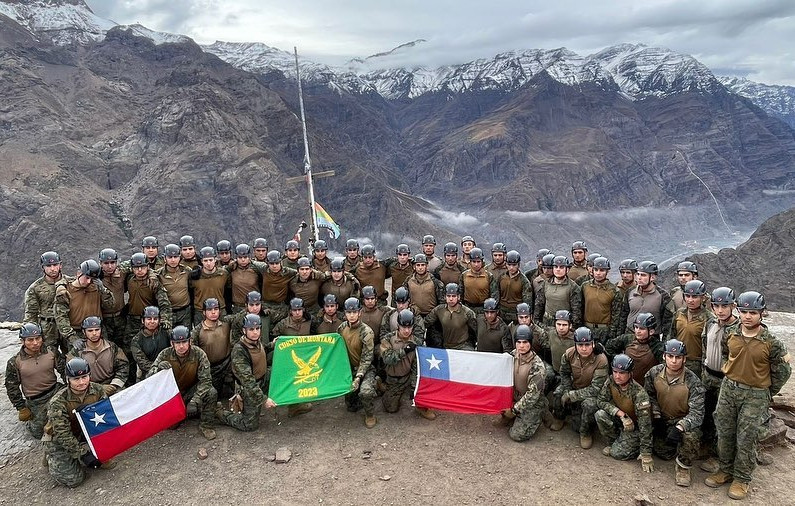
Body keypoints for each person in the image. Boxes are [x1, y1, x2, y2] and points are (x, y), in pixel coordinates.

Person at [706, 291, 791, 500]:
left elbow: (783, 370)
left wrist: (768, 391)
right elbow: (727, 353)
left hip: (755, 394)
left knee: (747, 437)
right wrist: (728, 369)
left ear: (762, 314)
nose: (748, 316)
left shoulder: (771, 342)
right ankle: (725, 470)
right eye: (744, 312)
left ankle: (742, 478)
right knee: (724, 430)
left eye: (753, 312)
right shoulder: (732, 333)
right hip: (729, 389)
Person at [644, 339, 705, 487]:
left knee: (691, 437)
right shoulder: (654, 373)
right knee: (663, 453)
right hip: (662, 419)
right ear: (664, 356)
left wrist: (680, 427)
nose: (674, 360)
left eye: (678, 357)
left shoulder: (693, 381)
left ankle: (683, 467)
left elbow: (697, 413)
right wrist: (656, 415)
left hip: (681, 420)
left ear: (684, 359)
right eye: (670, 356)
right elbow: (648, 396)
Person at [45, 358, 112, 487]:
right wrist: (83, 454)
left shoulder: (97, 390)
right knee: (74, 480)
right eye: (76, 379)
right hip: (59, 439)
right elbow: (63, 434)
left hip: (83, 431)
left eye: (84, 377)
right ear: (68, 379)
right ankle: (50, 457)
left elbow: (105, 417)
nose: (81, 382)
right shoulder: (58, 402)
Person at [149, 326, 218, 440]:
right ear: (172, 343)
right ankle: (186, 411)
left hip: (191, 389)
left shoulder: (199, 354)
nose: (181, 346)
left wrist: (195, 400)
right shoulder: (165, 354)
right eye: (177, 343)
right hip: (172, 394)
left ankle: (206, 425)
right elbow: (149, 377)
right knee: (171, 426)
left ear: (190, 341)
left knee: (211, 392)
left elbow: (206, 380)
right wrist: (158, 369)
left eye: (184, 342)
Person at [699, 287, 739, 473]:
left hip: (726, 380)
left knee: (722, 419)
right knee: (706, 414)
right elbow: (704, 347)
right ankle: (705, 447)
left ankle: (718, 456)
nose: (720, 310)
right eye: (716, 306)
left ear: (732, 306)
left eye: (724, 306)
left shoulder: (738, 330)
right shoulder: (710, 323)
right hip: (708, 375)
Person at [5, 323, 64, 439]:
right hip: (36, 400)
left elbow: (64, 370)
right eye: (30, 340)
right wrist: (21, 407)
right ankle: (32, 421)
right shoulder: (15, 362)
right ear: (22, 341)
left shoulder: (51, 351)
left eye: (38, 338)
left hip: (56, 391)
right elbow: (12, 387)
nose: (35, 343)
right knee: (39, 433)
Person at [595, 354, 654, 472]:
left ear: (630, 373)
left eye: (622, 373)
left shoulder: (639, 394)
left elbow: (645, 426)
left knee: (617, 454)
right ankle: (614, 441)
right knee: (600, 414)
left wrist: (646, 453)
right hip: (622, 420)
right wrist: (620, 413)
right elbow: (600, 401)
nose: (617, 376)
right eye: (615, 371)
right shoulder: (611, 381)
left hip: (636, 427)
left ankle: (633, 445)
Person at [552, 327, 609, 449]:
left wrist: (572, 395)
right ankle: (559, 417)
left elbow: (596, 388)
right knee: (558, 392)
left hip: (592, 393)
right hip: (575, 385)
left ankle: (585, 433)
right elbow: (565, 374)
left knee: (589, 406)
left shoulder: (601, 360)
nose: (584, 348)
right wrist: (567, 390)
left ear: (593, 344)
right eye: (580, 345)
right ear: (575, 345)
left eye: (587, 344)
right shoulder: (568, 354)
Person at [216, 314, 270, 432]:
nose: (255, 332)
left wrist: (274, 344)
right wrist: (264, 399)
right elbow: (248, 382)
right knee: (249, 425)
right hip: (249, 388)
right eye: (251, 329)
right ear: (244, 330)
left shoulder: (256, 341)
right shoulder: (239, 351)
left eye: (257, 328)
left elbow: (262, 349)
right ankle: (220, 414)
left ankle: (295, 405)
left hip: (263, 378)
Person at [493, 325, 547, 442]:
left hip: (532, 402)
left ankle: (540, 415)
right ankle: (511, 416)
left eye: (525, 342)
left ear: (530, 343)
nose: (521, 346)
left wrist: (514, 410)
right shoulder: (513, 355)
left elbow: (532, 396)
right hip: (515, 396)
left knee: (516, 435)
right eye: (518, 342)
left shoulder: (537, 366)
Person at [380, 309, 435, 420]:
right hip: (394, 378)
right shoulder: (388, 339)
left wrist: (415, 386)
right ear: (398, 326)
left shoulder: (416, 342)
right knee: (391, 408)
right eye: (403, 327)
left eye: (409, 327)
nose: (406, 330)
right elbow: (387, 359)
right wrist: (404, 351)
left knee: (424, 385)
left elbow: (417, 367)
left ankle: (421, 407)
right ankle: (382, 386)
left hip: (408, 377)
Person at [125, 252, 172, 381]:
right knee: (130, 352)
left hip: (151, 319)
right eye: (136, 268)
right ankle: (131, 383)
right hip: (132, 320)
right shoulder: (128, 278)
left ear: (148, 267)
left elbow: (164, 304)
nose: (139, 270)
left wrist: (165, 320)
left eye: (143, 267)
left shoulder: (154, 281)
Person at [54, 259, 115, 351]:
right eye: (87, 278)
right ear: (79, 274)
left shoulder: (97, 288)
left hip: (97, 331)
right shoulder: (66, 291)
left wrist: (103, 290)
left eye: (92, 279)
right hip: (76, 332)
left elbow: (110, 306)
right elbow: (61, 318)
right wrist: (72, 338)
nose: (89, 281)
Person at [338, 298, 377, 428]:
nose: (352, 315)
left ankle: (370, 414)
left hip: (365, 370)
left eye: (354, 312)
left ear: (360, 312)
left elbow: (367, 359)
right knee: (351, 407)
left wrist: (358, 377)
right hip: (348, 370)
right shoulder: (342, 328)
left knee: (365, 392)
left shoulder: (367, 332)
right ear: (345, 314)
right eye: (349, 312)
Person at [67, 316, 128, 396]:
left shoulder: (112, 347)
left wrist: (114, 384)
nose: (94, 333)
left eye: (97, 330)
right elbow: (71, 376)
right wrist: (97, 388)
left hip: (111, 384)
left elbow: (123, 367)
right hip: (87, 388)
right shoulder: (77, 352)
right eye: (90, 330)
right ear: (83, 332)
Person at [613, 261, 673, 340]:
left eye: (643, 275)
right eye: (638, 274)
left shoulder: (663, 296)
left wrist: (664, 343)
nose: (639, 278)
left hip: (652, 340)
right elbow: (623, 317)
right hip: (630, 337)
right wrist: (619, 337)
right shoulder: (630, 292)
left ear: (652, 277)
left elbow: (668, 323)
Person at [190, 298, 233, 399]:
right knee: (214, 395)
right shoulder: (197, 331)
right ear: (204, 312)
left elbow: (241, 317)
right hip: (211, 369)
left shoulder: (226, 322)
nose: (213, 312)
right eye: (210, 310)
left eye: (216, 309)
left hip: (228, 365)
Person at [670, 279, 713, 377]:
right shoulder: (679, 313)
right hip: (677, 360)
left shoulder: (709, 319)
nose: (690, 300)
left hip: (697, 365)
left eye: (694, 297)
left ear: (703, 298)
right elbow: (671, 335)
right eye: (687, 296)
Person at [23, 251, 65, 352]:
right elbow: (31, 313)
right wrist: (30, 335)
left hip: (67, 325)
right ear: (43, 268)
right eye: (48, 266)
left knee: (73, 357)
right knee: (48, 357)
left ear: (60, 265)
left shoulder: (70, 283)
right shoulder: (35, 288)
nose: (52, 269)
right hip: (47, 328)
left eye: (55, 265)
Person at [606, 312, 664, 384]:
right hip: (625, 384)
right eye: (636, 327)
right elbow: (609, 347)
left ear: (651, 331)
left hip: (645, 387)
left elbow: (666, 366)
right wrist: (618, 360)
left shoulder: (657, 347)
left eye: (642, 328)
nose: (638, 331)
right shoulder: (627, 338)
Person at [533, 309, 575, 404]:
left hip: (569, 376)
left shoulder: (576, 340)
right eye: (558, 324)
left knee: (558, 395)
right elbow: (537, 329)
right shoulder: (551, 333)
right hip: (554, 370)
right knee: (541, 384)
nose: (561, 328)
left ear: (570, 325)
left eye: (564, 325)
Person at [533, 255, 582, 329]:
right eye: (556, 267)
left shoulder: (573, 287)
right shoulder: (545, 284)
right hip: (546, 324)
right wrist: (537, 322)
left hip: (564, 324)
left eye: (561, 267)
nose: (558, 270)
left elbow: (576, 311)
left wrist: (572, 328)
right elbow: (539, 305)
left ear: (567, 269)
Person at [424, 283, 477, 350]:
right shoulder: (438, 310)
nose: (451, 299)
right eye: (448, 296)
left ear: (458, 297)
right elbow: (426, 323)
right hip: (445, 345)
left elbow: (475, 330)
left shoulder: (467, 313)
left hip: (463, 346)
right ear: (445, 297)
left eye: (454, 296)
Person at [581, 256, 621, 345]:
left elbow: (616, 315)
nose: (598, 273)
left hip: (604, 331)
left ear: (607, 272)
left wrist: (611, 333)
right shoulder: (585, 286)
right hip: (587, 328)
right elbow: (580, 307)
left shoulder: (614, 290)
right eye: (596, 270)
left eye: (602, 270)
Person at [188, 247, 231, 326]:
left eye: (210, 260)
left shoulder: (224, 274)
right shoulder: (194, 276)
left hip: (220, 310)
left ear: (215, 260)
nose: (208, 263)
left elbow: (228, 292)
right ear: (201, 261)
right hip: (200, 312)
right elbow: (190, 293)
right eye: (205, 260)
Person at [252, 250, 297, 324]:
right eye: (272, 263)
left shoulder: (288, 272)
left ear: (281, 262)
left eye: (277, 263)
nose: (274, 266)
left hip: (281, 306)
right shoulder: (264, 269)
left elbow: (303, 272)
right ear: (268, 263)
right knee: (263, 322)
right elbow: (250, 262)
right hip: (265, 305)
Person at [156, 244, 193, 328]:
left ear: (180, 258)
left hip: (185, 312)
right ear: (165, 258)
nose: (173, 260)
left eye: (175, 257)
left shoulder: (187, 271)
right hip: (168, 313)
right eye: (170, 257)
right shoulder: (158, 275)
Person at [130, 306, 171, 378]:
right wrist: (157, 367)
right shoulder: (136, 340)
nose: (152, 321)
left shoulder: (166, 332)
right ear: (143, 320)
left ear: (159, 320)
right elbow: (142, 363)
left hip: (169, 369)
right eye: (149, 319)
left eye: (155, 319)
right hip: (149, 373)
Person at [98, 248, 127, 349]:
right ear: (100, 263)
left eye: (112, 262)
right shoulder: (96, 277)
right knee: (106, 348)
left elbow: (135, 264)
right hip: (105, 320)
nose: (110, 266)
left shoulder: (122, 272)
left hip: (121, 318)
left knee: (123, 347)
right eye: (106, 263)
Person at [403, 253, 445, 317]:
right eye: (418, 265)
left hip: (431, 316)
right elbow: (404, 298)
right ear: (414, 267)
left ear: (427, 266)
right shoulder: (408, 281)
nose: (420, 268)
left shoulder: (435, 281)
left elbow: (442, 302)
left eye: (423, 265)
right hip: (414, 316)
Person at [497, 250, 532, 324]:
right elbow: (496, 295)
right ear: (506, 264)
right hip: (501, 313)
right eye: (509, 265)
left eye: (514, 265)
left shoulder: (524, 281)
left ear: (518, 265)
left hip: (516, 315)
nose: (511, 267)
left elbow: (527, 302)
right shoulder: (501, 278)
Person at [459, 248, 499, 313]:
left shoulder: (489, 276)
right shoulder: (464, 275)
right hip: (467, 309)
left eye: (478, 261)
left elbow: (494, 295)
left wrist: (491, 309)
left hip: (484, 309)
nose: (476, 264)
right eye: (474, 262)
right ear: (470, 262)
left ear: (482, 262)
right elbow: (460, 293)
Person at [228, 243, 262, 314]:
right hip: (237, 307)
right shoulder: (232, 269)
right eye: (240, 258)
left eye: (245, 257)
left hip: (253, 306)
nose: (243, 260)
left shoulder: (256, 269)